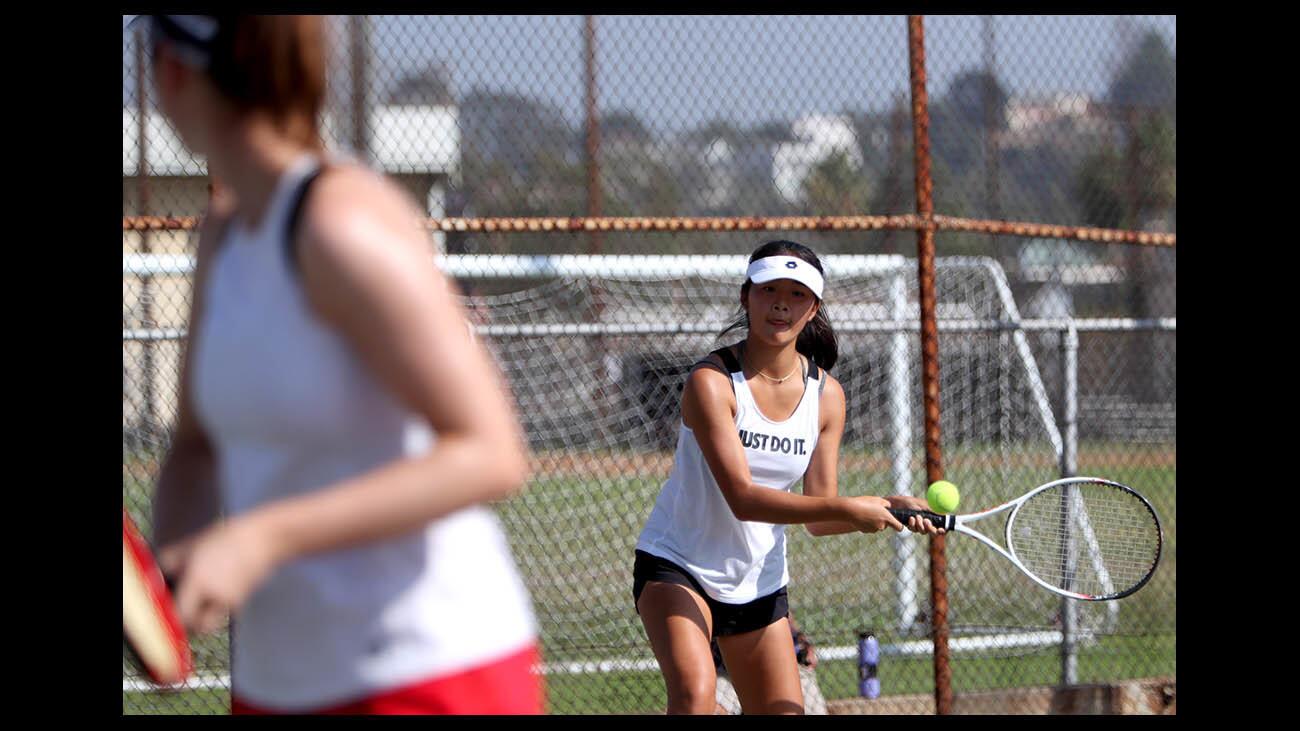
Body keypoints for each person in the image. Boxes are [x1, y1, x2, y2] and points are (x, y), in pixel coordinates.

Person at [139, 15, 542, 714]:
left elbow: (492, 452)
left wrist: (262, 537)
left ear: (170, 70)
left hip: (426, 674)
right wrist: (165, 581)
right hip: (276, 683)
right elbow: (195, 449)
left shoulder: (341, 223)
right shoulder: (224, 234)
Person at [633, 240, 942, 715]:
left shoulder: (827, 396)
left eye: (797, 294)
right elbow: (743, 499)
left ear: (814, 307)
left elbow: (820, 515)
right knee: (696, 696)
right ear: (746, 297)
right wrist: (849, 507)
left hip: (759, 582)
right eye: (769, 289)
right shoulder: (711, 383)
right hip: (678, 565)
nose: (781, 303)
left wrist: (886, 505)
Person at [712, 612, 827, 715]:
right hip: (728, 669)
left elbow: (784, 614)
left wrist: (803, 642)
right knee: (714, 709)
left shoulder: (774, 602)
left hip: (784, 664)